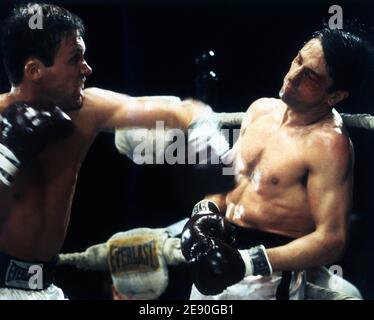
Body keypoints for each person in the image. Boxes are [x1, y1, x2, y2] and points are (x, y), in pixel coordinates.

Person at [0, 3, 232, 299]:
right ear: (34, 70)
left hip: (46, 288)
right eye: (75, 59)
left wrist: (204, 134)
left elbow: (179, 110)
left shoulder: (88, 110)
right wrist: (7, 154)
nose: (87, 68)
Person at [181, 27, 374, 300]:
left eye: (310, 76)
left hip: (267, 279)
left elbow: (332, 240)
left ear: (335, 95)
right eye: (298, 60)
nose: (293, 76)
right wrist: (204, 212)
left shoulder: (329, 144)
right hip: (213, 257)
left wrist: (248, 262)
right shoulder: (260, 109)